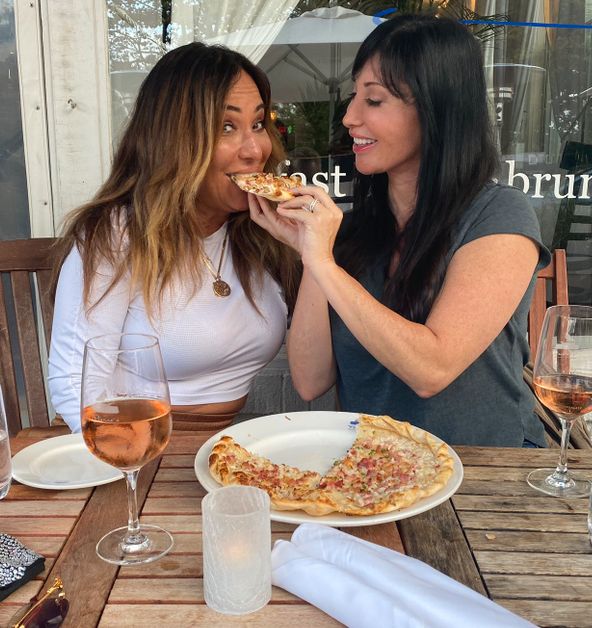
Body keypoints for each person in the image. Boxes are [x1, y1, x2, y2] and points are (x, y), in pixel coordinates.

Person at [248, 13, 550, 447]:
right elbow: (310, 381)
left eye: (374, 101)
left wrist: (323, 262)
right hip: (373, 473)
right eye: (354, 96)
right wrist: (313, 256)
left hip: (485, 474)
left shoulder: (498, 215)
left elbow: (432, 369)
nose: (349, 117)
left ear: (437, 108)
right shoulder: (352, 229)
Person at [48, 42, 300, 433]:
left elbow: (315, 373)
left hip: (232, 447)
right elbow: (73, 385)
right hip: (139, 447)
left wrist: (316, 254)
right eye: (226, 127)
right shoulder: (116, 234)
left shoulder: (262, 232)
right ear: (174, 140)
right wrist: (132, 465)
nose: (256, 150)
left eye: (259, 124)